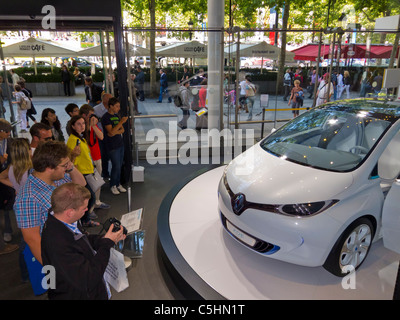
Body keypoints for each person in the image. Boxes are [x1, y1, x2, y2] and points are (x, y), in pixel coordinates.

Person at [41, 182, 125, 300]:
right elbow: (89, 279)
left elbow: (82, 240)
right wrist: (106, 245)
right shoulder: (58, 242)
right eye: (84, 208)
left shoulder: (64, 221)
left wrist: (106, 238)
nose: (86, 209)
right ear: (69, 212)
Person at [14, 140, 86, 267]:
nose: (67, 167)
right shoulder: (28, 197)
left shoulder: (58, 178)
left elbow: (82, 184)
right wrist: (53, 268)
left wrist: (70, 167)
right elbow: (32, 239)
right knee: (53, 286)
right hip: (48, 256)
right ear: (49, 168)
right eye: (64, 165)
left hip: (67, 245)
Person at [66, 115, 99, 227]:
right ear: (73, 126)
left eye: (83, 123)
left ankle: (84, 219)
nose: (82, 126)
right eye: (79, 124)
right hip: (81, 173)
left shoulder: (81, 138)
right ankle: (83, 220)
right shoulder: (73, 140)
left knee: (89, 197)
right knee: (89, 197)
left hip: (86, 171)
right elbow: (70, 160)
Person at [79, 104, 110, 210]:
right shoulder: (80, 127)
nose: (93, 117)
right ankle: (89, 208)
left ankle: (97, 201)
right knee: (90, 184)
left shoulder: (93, 125)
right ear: (84, 115)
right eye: (91, 115)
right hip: (88, 160)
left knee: (98, 182)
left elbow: (101, 136)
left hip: (97, 156)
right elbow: (87, 140)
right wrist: (88, 126)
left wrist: (93, 126)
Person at [101, 97, 128, 195]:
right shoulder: (105, 118)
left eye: (119, 106)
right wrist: (120, 123)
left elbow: (122, 130)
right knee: (115, 166)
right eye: (116, 106)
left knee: (119, 166)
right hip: (112, 146)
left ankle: (118, 183)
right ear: (111, 106)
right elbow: (111, 132)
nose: (118, 108)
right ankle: (113, 185)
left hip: (120, 144)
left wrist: (115, 130)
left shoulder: (116, 116)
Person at [0, 120, 14, 244]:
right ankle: (6, 232)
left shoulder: (9, 142)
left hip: (9, 178)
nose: (9, 133)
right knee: (3, 208)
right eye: (6, 131)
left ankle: (10, 230)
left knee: (10, 205)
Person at [94, 93, 112, 180]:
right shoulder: (96, 109)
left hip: (110, 136)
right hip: (100, 136)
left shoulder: (112, 108)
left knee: (109, 154)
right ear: (105, 100)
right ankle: (104, 173)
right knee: (103, 155)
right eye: (110, 99)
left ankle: (106, 172)